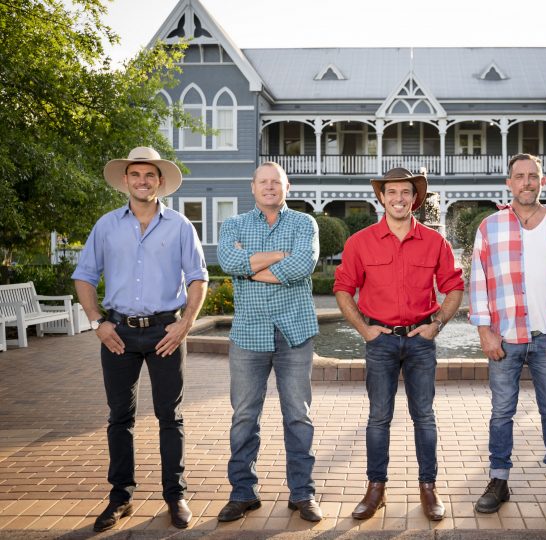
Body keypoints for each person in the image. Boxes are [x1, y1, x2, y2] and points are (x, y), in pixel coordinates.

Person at [72, 146, 208, 532]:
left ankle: (174, 495)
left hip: (166, 331)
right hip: (118, 333)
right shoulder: (106, 226)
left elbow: (198, 278)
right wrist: (98, 322)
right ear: (126, 181)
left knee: (171, 416)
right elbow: (84, 276)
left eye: (150, 175)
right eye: (136, 175)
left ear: (160, 182)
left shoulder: (181, 226)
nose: (143, 181)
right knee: (120, 417)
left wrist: (185, 324)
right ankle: (120, 497)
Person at [333, 167, 464, 521]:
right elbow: (343, 288)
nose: (399, 198)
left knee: (424, 417)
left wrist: (437, 324)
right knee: (378, 418)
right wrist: (364, 330)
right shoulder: (360, 242)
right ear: (382, 197)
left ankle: (428, 487)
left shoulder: (436, 242)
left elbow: (454, 286)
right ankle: (376, 488)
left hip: (421, 340)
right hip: (380, 342)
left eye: (405, 192)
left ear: (415, 198)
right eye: (392, 192)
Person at [469, 153, 546, 517]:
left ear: (542, 181)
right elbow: (478, 282)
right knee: (501, 412)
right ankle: (499, 480)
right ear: (509, 183)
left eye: (532, 176)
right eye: (519, 176)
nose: (526, 182)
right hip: (505, 336)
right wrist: (485, 332)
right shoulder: (490, 227)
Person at [215, 162, 323, 523]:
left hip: (295, 332)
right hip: (249, 333)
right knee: (244, 416)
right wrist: (279, 256)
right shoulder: (233, 225)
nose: (270, 187)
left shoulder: (304, 223)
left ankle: (302, 494)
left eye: (276, 182)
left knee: (298, 416)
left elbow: (303, 265)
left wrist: (251, 267)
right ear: (253, 187)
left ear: (287, 186)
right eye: (263, 182)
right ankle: (243, 493)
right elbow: (227, 261)